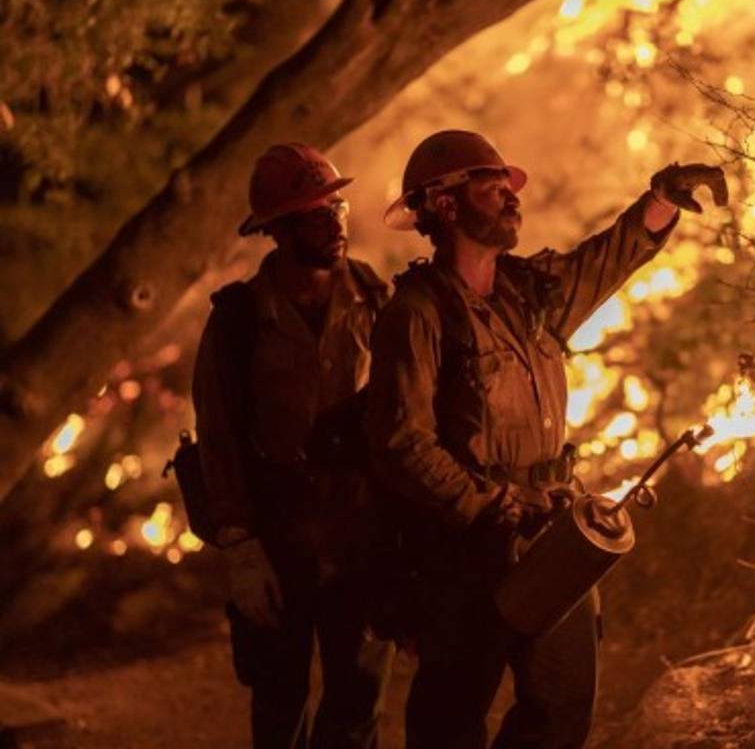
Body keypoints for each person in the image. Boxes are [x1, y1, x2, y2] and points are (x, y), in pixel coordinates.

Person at [365, 129, 725, 748]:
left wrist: (660, 201)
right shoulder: (417, 315)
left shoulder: (528, 292)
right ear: (446, 206)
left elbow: (603, 263)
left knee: (560, 711)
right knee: (449, 721)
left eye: (509, 186)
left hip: (551, 538)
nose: (510, 197)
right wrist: (485, 504)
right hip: (463, 552)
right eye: (491, 185)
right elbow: (402, 441)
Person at [193, 142, 394, 748]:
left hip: (359, 529)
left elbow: (402, 419)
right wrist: (241, 548)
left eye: (337, 206)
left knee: (357, 704)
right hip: (278, 533)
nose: (334, 222)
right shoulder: (238, 319)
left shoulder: (376, 300)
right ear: (277, 229)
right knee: (279, 702)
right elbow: (218, 439)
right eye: (314, 213)